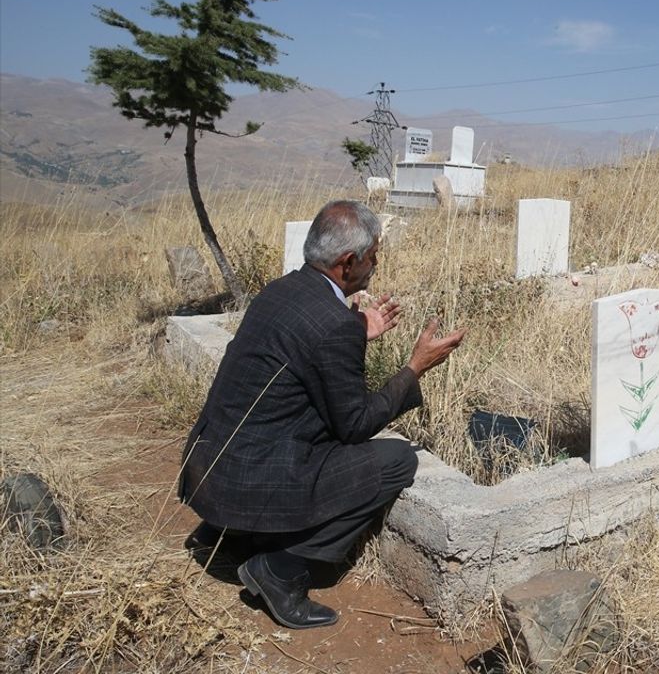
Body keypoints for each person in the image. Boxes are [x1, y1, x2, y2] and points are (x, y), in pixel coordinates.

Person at [179, 200, 465, 629]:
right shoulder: (333, 324)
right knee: (395, 460)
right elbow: (355, 424)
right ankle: (281, 569)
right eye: (372, 256)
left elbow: (303, 369)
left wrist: (355, 332)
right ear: (348, 262)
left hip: (209, 471)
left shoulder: (280, 291)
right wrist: (414, 368)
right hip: (250, 482)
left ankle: (229, 534)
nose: (376, 264)